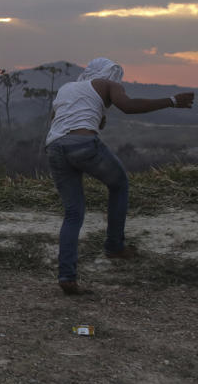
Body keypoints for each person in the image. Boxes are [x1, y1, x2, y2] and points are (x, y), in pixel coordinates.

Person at [45, 57, 194, 295]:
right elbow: (129, 106)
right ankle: (114, 246)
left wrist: (96, 117)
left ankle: (67, 276)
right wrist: (172, 101)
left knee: (73, 213)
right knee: (119, 184)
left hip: (54, 147)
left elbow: (57, 121)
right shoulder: (106, 84)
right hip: (84, 145)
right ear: (106, 74)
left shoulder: (67, 88)